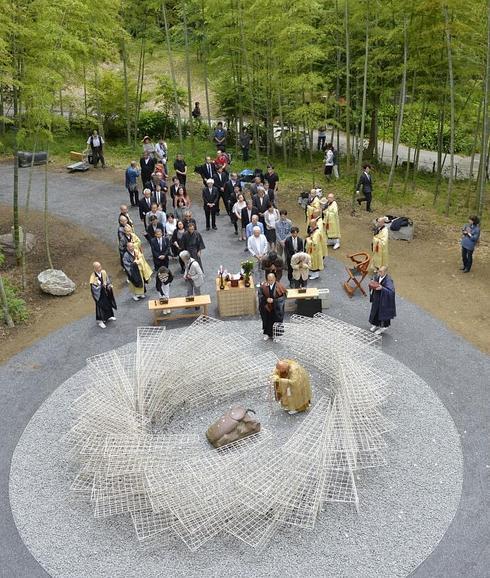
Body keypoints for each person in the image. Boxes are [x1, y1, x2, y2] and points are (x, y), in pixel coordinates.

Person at [369, 265, 396, 335]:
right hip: (377, 299)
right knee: (375, 312)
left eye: (381, 271)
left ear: (385, 272)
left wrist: (382, 288)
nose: (379, 272)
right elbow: (374, 281)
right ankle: (375, 324)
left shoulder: (388, 280)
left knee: (382, 314)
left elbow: (391, 291)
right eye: (379, 271)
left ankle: (383, 328)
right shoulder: (377, 277)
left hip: (384, 301)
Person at [258, 272, 286, 341]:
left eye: (271, 280)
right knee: (267, 321)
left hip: (276, 308)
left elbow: (283, 297)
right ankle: (268, 334)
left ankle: (277, 336)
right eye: (269, 280)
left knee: (277, 321)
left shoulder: (279, 286)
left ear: (275, 279)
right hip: (267, 307)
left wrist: (274, 301)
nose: (270, 281)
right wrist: (266, 299)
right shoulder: (263, 286)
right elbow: (260, 295)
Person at [90, 261, 116, 328]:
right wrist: (101, 286)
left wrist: (109, 285)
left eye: (100, 266)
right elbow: (94, 288)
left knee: (108, 303)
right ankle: (100, 321)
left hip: (105, 292)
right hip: (99, 294)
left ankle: (109, 316)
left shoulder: (103, 272)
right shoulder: (93, 278)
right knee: (100, 306)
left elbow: (107, 281)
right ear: (95, 268)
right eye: (98, 267)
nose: (100, 268)